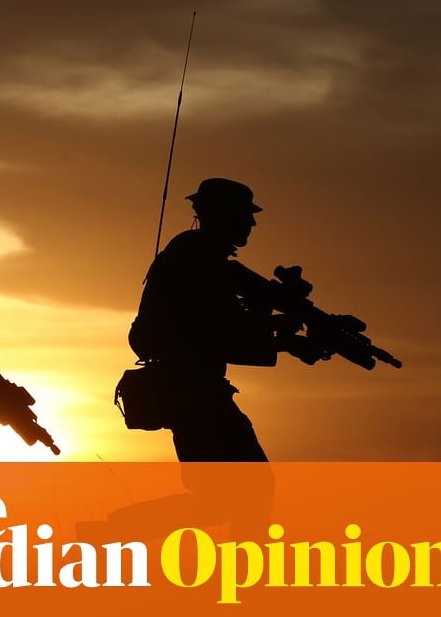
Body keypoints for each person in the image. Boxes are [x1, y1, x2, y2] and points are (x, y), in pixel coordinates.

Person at [129, 177, 314, 462]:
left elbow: (228, 329)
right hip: (193, 394)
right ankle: (118, 511)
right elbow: (219, 333)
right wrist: (284, 337)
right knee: (241, 488)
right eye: (245, 215)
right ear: (221, 215)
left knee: (229, 491)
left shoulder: (205, 259)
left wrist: (285, 337)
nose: (252, 224)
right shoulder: (195, 259)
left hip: (196, 392)